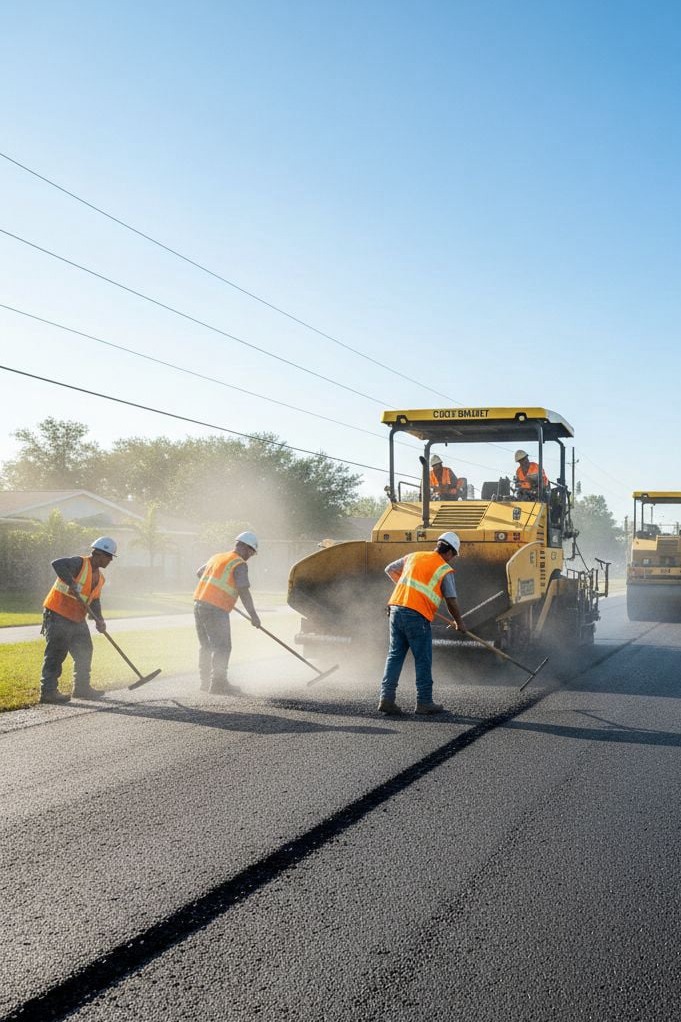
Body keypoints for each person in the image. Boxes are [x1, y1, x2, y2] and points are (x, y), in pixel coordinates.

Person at [378, 532, 466, 716]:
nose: (453, 559)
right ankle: (424, 702)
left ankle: (386, 698)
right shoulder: (444, 569)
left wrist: (407, 588)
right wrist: (460, 623)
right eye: (454, 555)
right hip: (416, 616)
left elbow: (389, 569)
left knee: (394, 655)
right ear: (449, 551)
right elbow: (451, 601)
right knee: (423, 659)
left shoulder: (413, 556)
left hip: (395, 609)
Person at [39, 536, 117, 704]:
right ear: (98, 553)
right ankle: (48, 691)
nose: (110, 560)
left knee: (85, 651)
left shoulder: (100, 578)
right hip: (58, 613)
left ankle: (82, 688)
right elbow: (57, 564)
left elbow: (94, 600)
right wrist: (71, 582)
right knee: (56, 653)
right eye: (108, 556)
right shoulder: (79, 563)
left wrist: (99, 620)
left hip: (76, 618)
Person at [194, 531, 262, 695]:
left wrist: (214, 589)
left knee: (206, 646)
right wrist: (254, 615)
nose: (250, 556)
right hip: (215, 609)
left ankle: (205, 682)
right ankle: (218, 683)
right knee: (223, 647)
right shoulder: (239, 564)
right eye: (251, 552)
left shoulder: (217, 557)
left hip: (199, 604)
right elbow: (243, 591)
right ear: (245, 547)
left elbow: (199, 572)